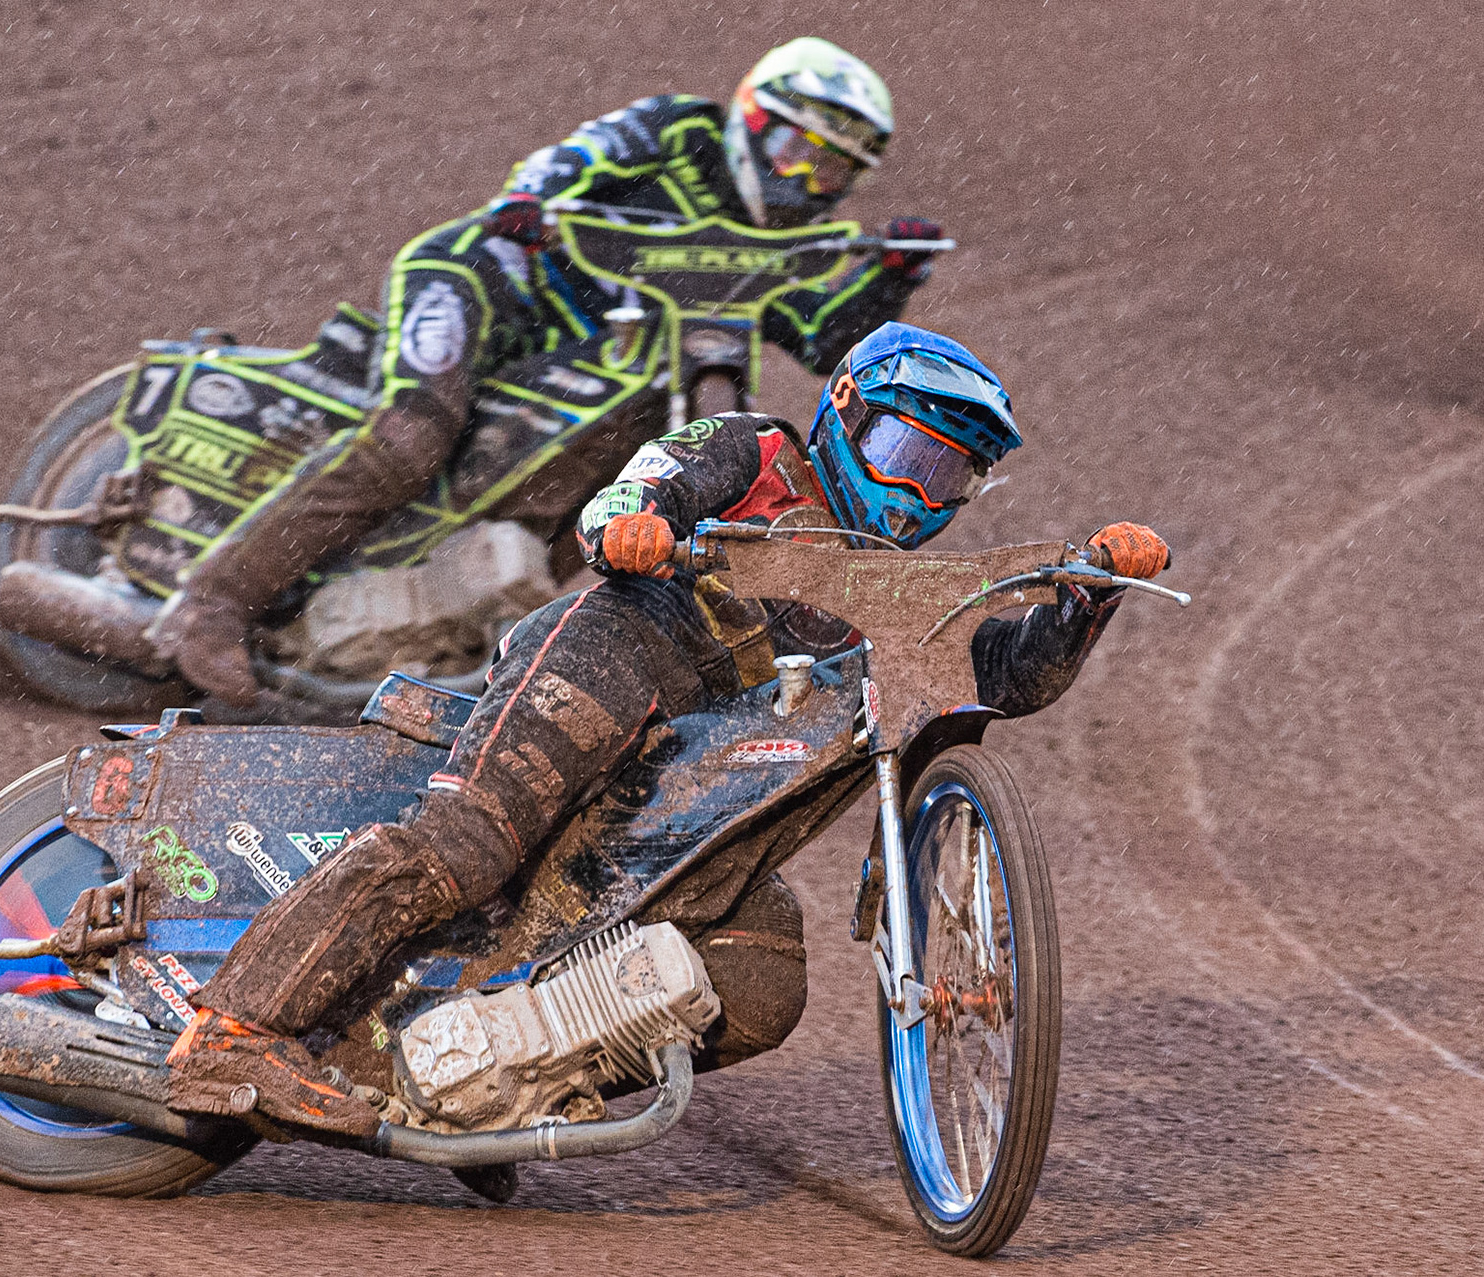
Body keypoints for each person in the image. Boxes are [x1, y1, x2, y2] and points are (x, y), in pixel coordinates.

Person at [161, 321, 1173, 1135]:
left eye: (947, 477)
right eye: (905, 453)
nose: (917, 493)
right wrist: (630, 525)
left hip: (694, 779)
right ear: (845, 411)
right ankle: (232, 1027)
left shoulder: (901, 598)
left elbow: (1009, 673)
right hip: (621, 652)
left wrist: (1089, 595)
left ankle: (483, 1086)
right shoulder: (755, 449)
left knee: (759, 976)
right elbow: (634, 491)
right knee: (466, 846)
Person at [150, 37, 949, 706]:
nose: (806, 181)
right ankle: (211, 602)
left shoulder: (778, 249)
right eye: (797, 152)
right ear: (753, 118)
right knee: (410, 440)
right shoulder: (680, 130)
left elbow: (821, 337)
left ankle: (421, 642)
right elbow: (575, 156)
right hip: (489, 280)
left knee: (600, 506)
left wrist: (890, 277)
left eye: (831, 172)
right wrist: (534, 198)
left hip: (594, 367)